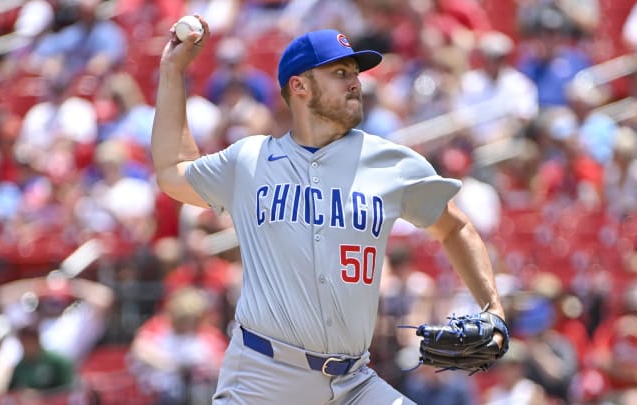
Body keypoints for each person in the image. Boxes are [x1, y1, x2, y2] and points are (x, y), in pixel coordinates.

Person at [151, 17, 507, 404]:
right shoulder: (250, 161)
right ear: (299, 86)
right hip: (262, 379)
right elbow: (173, 172)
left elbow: (454, 227)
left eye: (355, 72)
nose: (356, 82)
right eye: (340, 72)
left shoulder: (391, 163)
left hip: (353, 379)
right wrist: (173, 71)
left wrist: (493, 309)